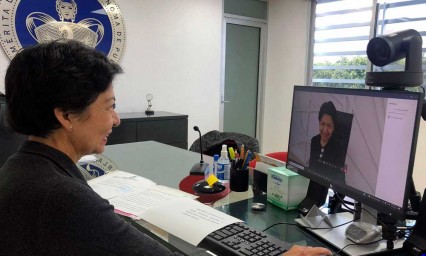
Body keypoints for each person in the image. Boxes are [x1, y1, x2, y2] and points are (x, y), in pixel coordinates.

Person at [0, 40, 331, 256]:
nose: (115, 120)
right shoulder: (61, 196)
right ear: (66, 115)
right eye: (108, 106)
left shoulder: (21, 167)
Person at [309, 101, 346, 184]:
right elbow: (310, 169)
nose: (325, 130)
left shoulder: (338, 147)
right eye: (322, 124)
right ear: (319, 123)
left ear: (334, 127)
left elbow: (340, 178)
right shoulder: (314, 140)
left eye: (329, 125)